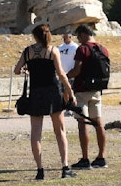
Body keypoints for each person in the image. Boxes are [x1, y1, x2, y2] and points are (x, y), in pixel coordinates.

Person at [15, 23, 79, 179]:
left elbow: (17, 70)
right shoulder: (53, 50)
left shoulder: (28, 52)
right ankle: (65, 167)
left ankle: (40, 170)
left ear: (35, 36)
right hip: (53, 92)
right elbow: (61, 74)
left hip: (36, 92)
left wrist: (26, 69)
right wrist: (70, 92)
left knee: (36, 134)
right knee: (60, 131)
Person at [67, 24, 109, 170]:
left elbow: (77, 70)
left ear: (83, 34)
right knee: (98, 123)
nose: (78, 40)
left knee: (83, 123)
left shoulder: (83, 49)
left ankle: (85, 159)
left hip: (82, 90)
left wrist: (66, 76)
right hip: (97, 90)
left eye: (78, 37)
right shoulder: (103, 49)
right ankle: (101, 157)